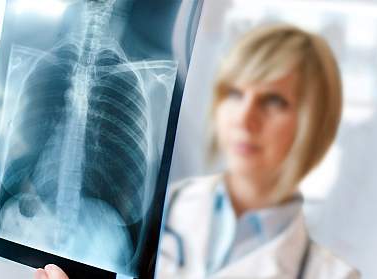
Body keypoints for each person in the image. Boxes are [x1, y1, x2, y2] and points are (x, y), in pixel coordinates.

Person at [34, 23, 360, 279]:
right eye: (235, 94)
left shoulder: (332, 275)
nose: (245, 119)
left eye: (274, 101)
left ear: (314, 124)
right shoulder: (161, 211)